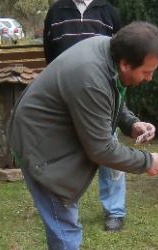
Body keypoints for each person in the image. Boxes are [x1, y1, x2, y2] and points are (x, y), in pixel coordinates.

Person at [8, 21, 158, 250]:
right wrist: (146, 161)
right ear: (126, 64)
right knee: (62, 217)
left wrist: (130, 122)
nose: (149, 78)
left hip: (56, 134)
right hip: (41, 145)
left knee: (64, 214)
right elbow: (101, 149)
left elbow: (113, 94)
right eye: (147, 72)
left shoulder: (109, 53)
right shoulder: (89, 76)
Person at [43, 0, 128, 232]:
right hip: (65, 97)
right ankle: (66, 208)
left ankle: (115, 211)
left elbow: (121, 59)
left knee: (109, 152)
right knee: (66, 155)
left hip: (102, 96)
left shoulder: (108, 12)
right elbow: (50, 57)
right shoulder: (56, 12)